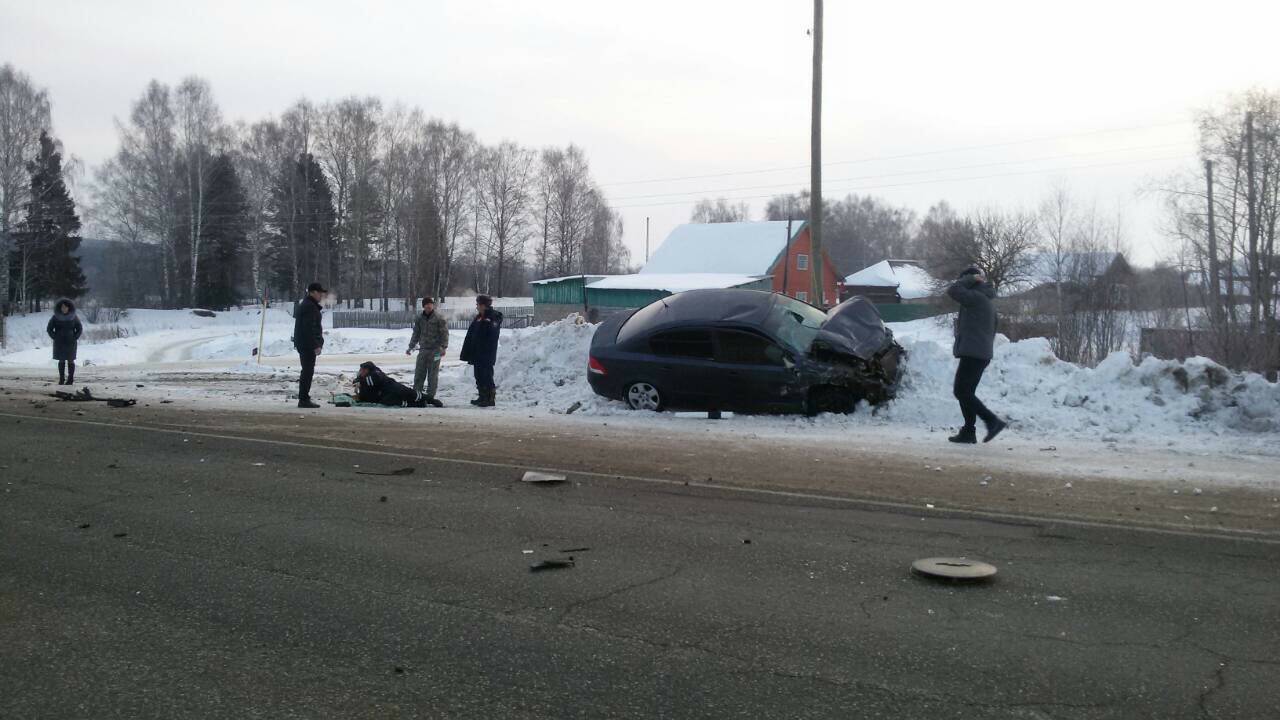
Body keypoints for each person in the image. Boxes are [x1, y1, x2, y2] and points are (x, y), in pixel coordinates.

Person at [947, 267, 1007, 444]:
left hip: (974, 353)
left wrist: (969, 279)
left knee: (961, 391)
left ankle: (992, 421)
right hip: (980, 353)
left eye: (965, 281)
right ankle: (968, 432)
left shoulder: (977, 298)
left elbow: (953, 290)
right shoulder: (985, 300)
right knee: (967, 393)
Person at [459, 294, 503, 407]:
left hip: (486, 353)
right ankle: (482, 396)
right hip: (476, 353)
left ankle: (490, 398)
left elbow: (491, 335)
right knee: (478, 375)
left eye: (478, 304)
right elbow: (471, 334)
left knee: (486, 375)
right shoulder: (478, 317)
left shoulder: (494, 316)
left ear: (483, 305)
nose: (476, 306)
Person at [406, 296, 448, 407]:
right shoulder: (420, 318)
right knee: (419, 374)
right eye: (426, 304)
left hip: (436, 351)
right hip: (423, 350)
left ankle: (430, 397)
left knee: (433, 375)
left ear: (433, 305)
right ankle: (417, 396)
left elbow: (444, 333)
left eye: (430, 304)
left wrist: (443, 347)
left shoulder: (439, 318)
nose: (429, 306)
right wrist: (411, 346)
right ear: (423, 306)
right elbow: (416, 333)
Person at [293, 282, 327, 409]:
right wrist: (315, 345)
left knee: (307, 371)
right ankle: (303, 399)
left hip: (304, 343)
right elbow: (309, 328)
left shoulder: (308, 305)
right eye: (319, 293)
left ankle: (304, 398)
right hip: (307, 345)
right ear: (312, 292)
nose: (321, 295)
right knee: (307, 371)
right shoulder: (309, 306)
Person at [47, 299, 83, 386]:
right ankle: (61, 379)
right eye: (62, 307)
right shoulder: (55, 317)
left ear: (68, 308)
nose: (64, 309)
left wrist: (75, 337)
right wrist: (54, 337)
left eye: (65, 307)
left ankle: (70, 379)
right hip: (59, 342)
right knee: (61, 360)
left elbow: (79, 328)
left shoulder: (74, 317)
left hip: (71, 341)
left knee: (71, 360)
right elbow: (49, 328)